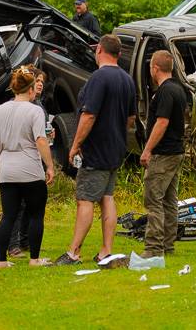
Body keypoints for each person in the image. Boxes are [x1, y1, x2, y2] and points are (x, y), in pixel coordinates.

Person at [55, 35, 135, 265]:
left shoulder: (99, 78)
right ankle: (105, 251)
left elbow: (89, 115)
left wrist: (76, 144)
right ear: (119, 54)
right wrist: (115, 132)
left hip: (96, 149)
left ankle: (73, 252)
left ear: (99, 49)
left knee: (85, 199)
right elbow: (130, 118)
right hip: (116, 149)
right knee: (107, 197)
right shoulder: (126, 79)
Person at [0, 65, 56, 268]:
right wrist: (49, 165)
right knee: (36, 214)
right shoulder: (34, 111)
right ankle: (34, 258)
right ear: (30, 89)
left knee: (8, 215)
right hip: (29, 168)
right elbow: (40, 140)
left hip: (7, 168)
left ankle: (1, 260)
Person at [139, 50, 188, 258]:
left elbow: (162, 122)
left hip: (164, 153)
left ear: (155, 68)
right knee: (169, 200)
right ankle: (168, 246)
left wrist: (148, 149)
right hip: (176, 151)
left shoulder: (165, 91)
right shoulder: (179, 89)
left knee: (154, 200)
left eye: (151, 67)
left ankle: (153, 248)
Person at [8, 69, 54, 258]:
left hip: (35, 159)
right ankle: (13, 244)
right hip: (23, 160)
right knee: (17, 206)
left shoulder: (39, 105)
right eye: (37, 81)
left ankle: (26, 240)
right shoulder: (19, 107)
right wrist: (50, 164)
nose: (40, 84)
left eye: (43, 81)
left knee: (31, 205)